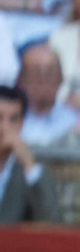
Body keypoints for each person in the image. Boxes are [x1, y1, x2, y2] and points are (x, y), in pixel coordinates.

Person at [0, 84, 60, 224]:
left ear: (22, 124)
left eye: (13, 119)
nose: (5, 127)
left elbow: (52, 221)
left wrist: (28, 163)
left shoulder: (30, 169)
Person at [17, 44, 80, 145]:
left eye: (50, 71)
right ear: (21, 79)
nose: (43, 78)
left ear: (61, 78)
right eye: (35, 71)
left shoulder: (76, 121)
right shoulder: (7, 121)